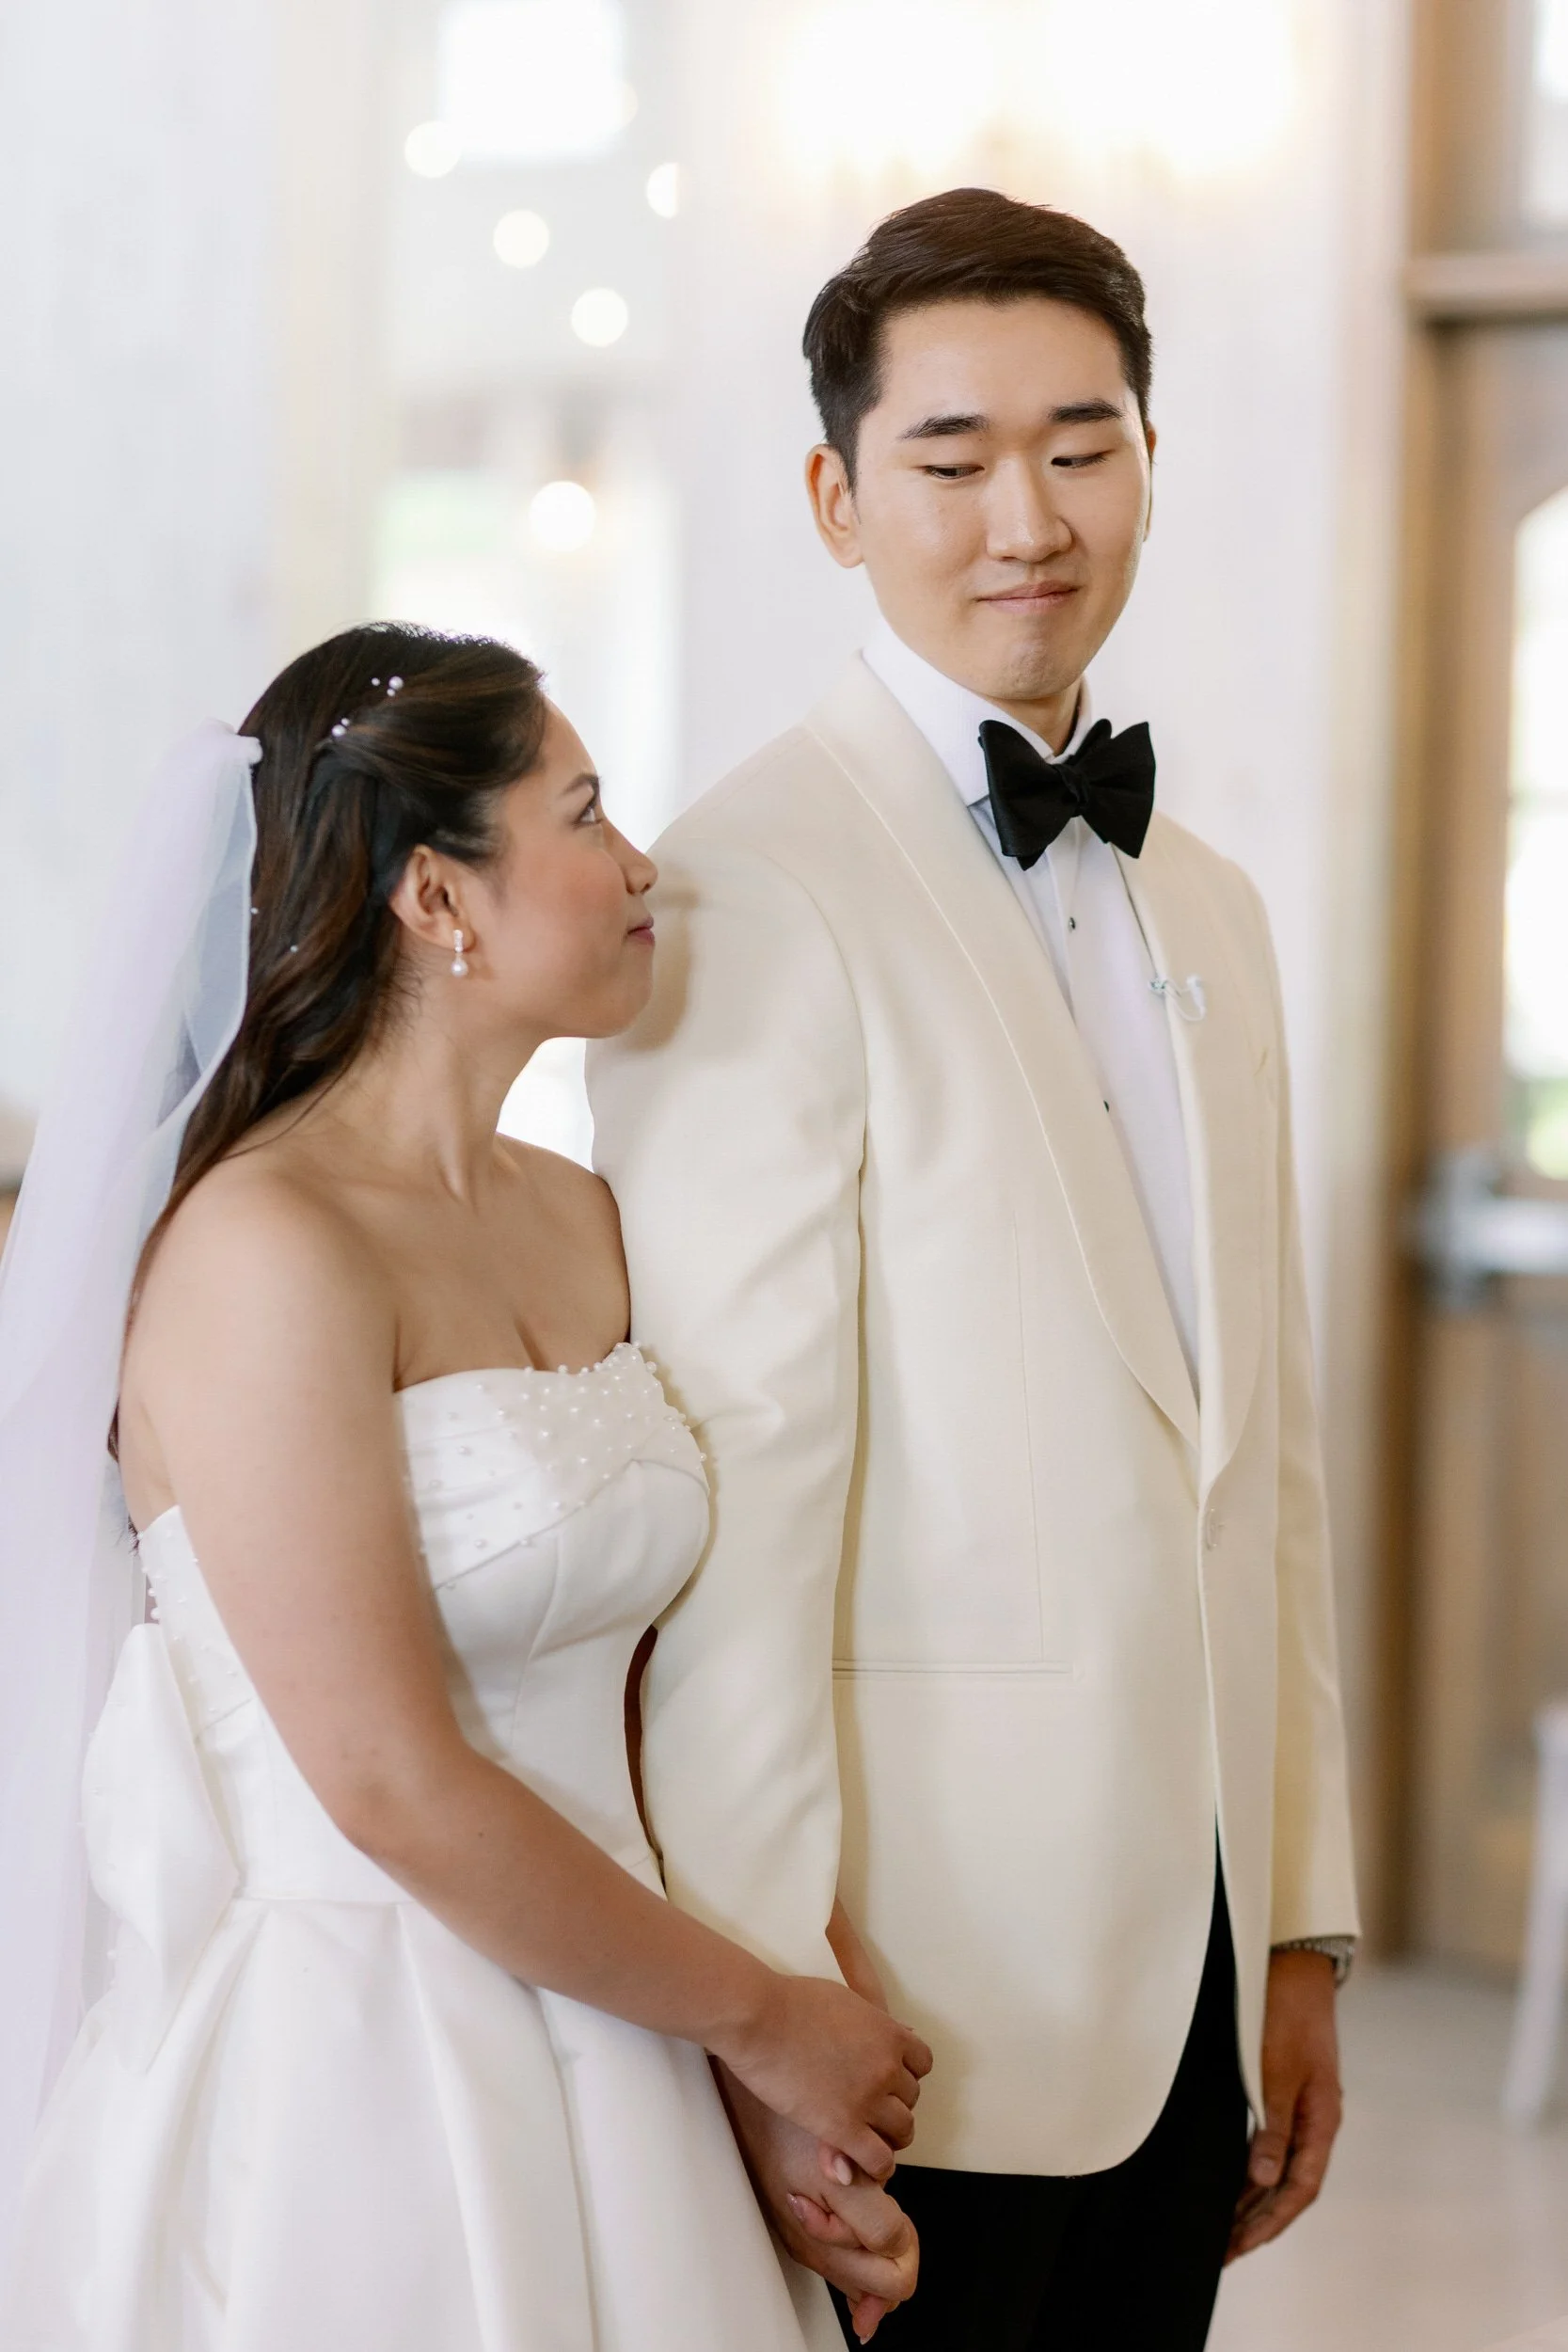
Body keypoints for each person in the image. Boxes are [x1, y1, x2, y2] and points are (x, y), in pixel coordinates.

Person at [588, 188, 1361, 2349]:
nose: (1027, 517)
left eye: (1080, 445)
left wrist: (1293, 1922)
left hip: (1192, 1986)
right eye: (949, 459)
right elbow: (732, 1494)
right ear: (836, 499)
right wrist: (765, 2010)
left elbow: (1263, 1454)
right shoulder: (743, 886)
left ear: (1145, 464)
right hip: (909, 2010)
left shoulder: (1205, 898)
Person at [0, 623, 930, 2351]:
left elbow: (649, 1686)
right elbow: (383, 1777)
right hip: (364, 2057)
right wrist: (758, 2017)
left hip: (631, 2015)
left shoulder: (578, 1212)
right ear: (438, 895)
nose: (642, 864)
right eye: (582, 813)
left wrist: (762, 2023)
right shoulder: (261, 1248)